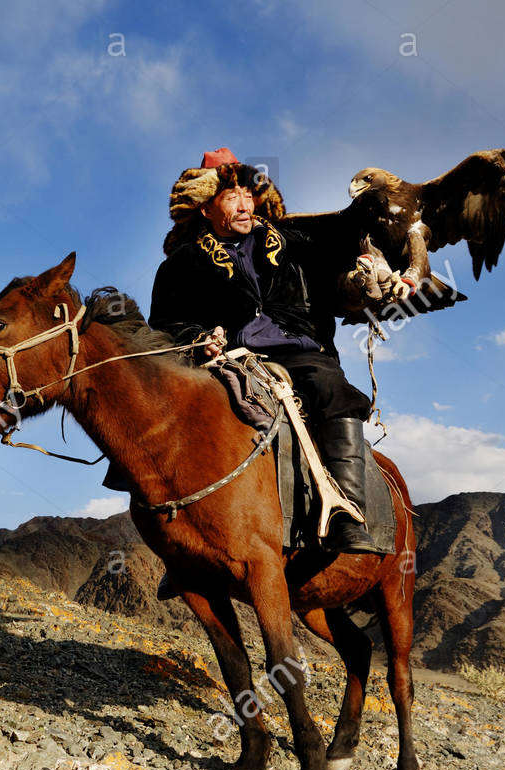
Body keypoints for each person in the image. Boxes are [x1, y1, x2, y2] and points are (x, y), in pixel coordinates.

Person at [149, 147, 384, 555]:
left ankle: (346, 513)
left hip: (297, 349)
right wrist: (199, 337)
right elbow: (164, 324)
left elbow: (341, 269)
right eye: (231, 197)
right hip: (223, 357)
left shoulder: (294, 243)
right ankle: (178, 540)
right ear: (206, 208)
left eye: (248, 195)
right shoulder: (181, 264)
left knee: (331, 388)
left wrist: (368, 272)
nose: (244, 205)